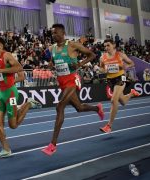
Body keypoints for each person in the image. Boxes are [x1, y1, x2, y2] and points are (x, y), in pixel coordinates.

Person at [41, 24, 105, 156]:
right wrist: (52, 66)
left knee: (59, 107)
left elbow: (92, 55)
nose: (54, 35)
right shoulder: (52, 48)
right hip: (62, 82)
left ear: (63, 33)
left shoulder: (72, 45)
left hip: (73, 79)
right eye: (52, 33)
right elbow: (54, 63)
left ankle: (52, 144)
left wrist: (79, 64)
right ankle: (97, 108)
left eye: (56, 33)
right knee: (79, 108)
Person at [0, 37, 42, 158]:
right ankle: (6, 149)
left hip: (11, 93)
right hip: (1, 93)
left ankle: (28, 103)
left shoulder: (6, 55)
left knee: (13, 125)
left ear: (0, 46)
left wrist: (1, 70)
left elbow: (19, 68)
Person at [99, 39, 139, 133]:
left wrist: (126, 67)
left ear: (113, 45)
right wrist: (102, 70)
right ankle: (131, 94)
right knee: (123, 102)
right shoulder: (102, 57)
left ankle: (109, 126)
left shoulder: (120, 55)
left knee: (113, 100)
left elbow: (132, 63)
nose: (106, 48)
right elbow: (101, 68)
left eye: (108, 45)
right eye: (105, 46)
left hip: (121, 78)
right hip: (110, 80)